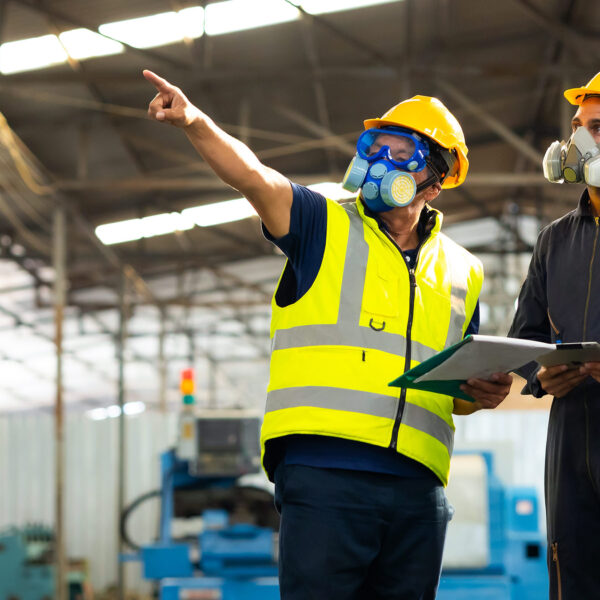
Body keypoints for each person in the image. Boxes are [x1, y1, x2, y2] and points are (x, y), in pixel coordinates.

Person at [143, 69, 512, 600]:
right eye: (373, 146)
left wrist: (480, 394)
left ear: (435, 178)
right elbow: (252, 175)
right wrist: (194, 121)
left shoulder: (464, 270)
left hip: (419, 487)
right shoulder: (323, 223)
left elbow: (456, 389)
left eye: (398, 150)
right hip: (325, 476)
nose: (378, 161)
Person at [509, 71, 600, 600]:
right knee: (574, 571)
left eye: (597, 127)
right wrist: (541, 376)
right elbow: (526, 335)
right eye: (578, 127)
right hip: (572, 436)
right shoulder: (554, 241)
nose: (581, 141)